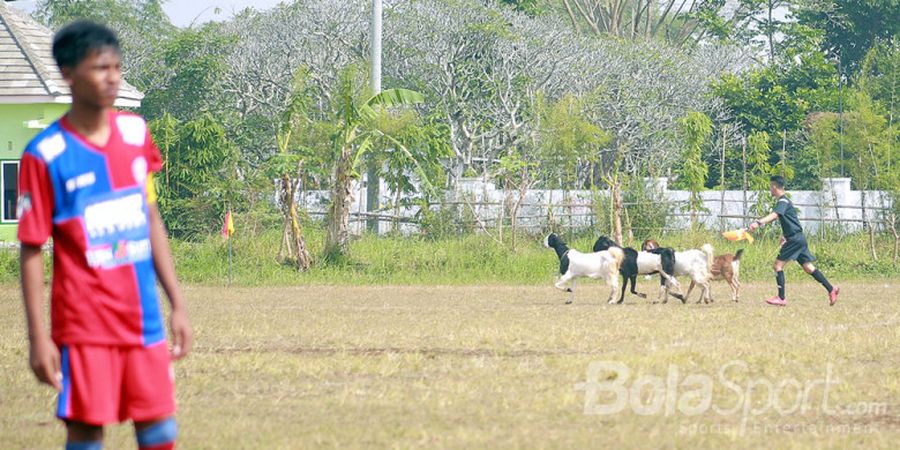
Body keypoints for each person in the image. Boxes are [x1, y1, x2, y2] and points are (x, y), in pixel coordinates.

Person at [18, 21, 191, 450]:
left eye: (116, 66)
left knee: (160, 429)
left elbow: (151, 220)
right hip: (84, 326)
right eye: (100, 67)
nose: (112, 76)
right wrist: (38, 338)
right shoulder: (45, 155)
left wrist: (178, 305)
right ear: (69, 74)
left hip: (142, 319)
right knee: (87, 432)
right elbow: (32, 248)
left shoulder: (135, 134)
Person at [748, 175, 840, 306]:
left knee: (777, 266)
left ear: (774, 186)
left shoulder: (783, 202)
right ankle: (831, 289)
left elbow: (775, 215)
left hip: (795, 240)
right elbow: (790, 221)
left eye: (770, 187)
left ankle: (781, 298)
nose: (770, 189)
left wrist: (758, 222)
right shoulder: (784, 202)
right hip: (798, 238)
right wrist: (784, 235)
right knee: (808, 267)